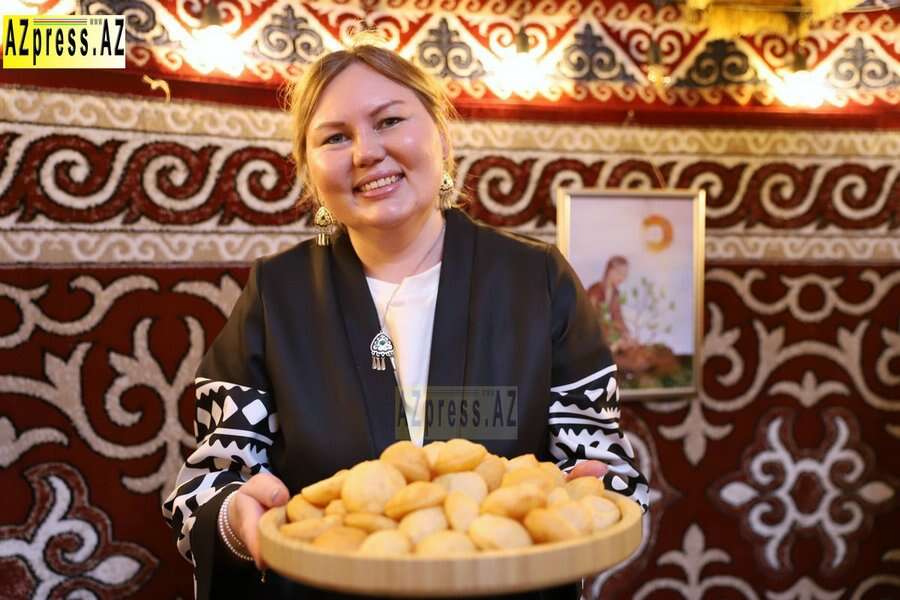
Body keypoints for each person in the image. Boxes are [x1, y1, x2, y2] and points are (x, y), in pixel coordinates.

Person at [162, 36, 649, 600]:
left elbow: (604, 465)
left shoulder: (537, 280)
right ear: (309, 170)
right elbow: (209, 483)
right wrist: (236, 521)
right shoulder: (277, 295)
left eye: (389, 121)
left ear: (442, 134)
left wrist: (587, 493)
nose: (366, 152)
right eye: (335, 137)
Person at [587, 256, 637, 353]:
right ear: (610, 271)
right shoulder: (595, 291)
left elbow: (617, 317)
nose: (623, 278)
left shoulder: (615, 293)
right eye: (620, 273)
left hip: (608, 336)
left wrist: (626, 334)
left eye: (625, 275)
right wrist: (615, 338)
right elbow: (592, 321)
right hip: (592, 338)